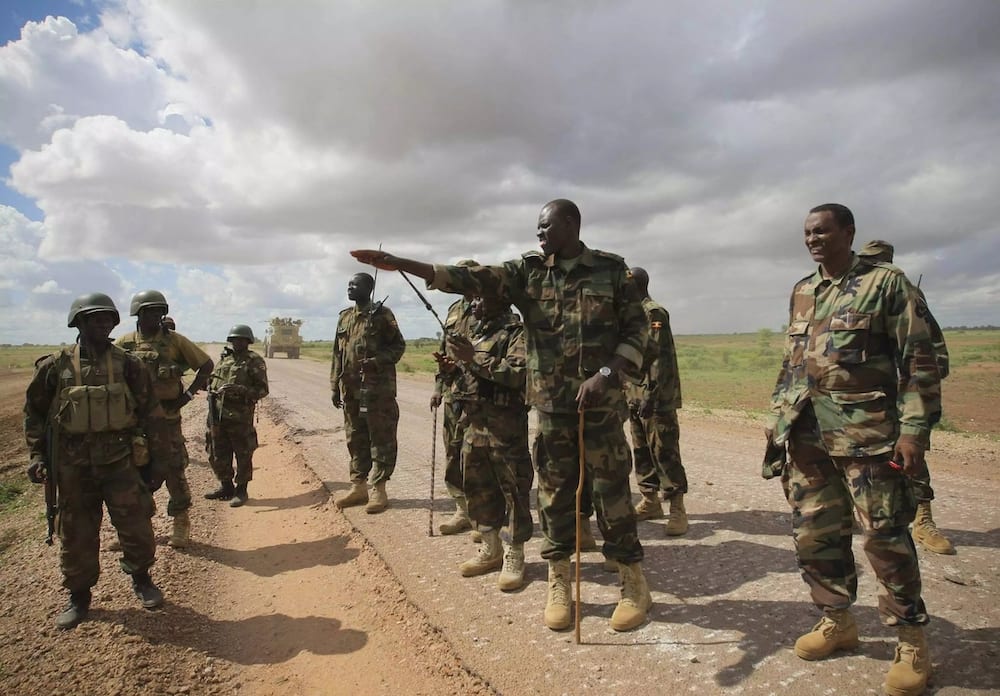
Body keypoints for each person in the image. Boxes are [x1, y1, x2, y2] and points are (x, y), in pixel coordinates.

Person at [352, 198, 652, 632]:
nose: (539, 234)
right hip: (551, 409)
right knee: (553, 495)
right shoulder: (526, 273)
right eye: (537, 228)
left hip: (600, 409)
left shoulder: (609, 270)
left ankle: (632, 583)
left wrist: (607, 373)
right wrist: (401, 263)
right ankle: (558, 581)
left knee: (612, 495)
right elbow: (471, 277)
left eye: (546, 226)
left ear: (570, 225)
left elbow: (636, 330)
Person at [766, 204, 940, 696]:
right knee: (814, 535)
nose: (813, 240)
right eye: (807, 234)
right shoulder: (804, 290)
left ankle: (911, 640)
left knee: (885, 538)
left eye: (822, 231)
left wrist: (913, 433)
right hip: (807, 436)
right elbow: (793, 364)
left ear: (848, 232)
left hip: (868, 437)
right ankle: (837, 619)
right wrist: (778, 416)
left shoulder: (888, 284)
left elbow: (919, 362)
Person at [24, 292, 167, 629]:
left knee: (136, 527)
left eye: (108, 319)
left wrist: (158, 462)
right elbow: (35, 414)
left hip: (119, 461)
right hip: (73, 467)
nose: (103, 325)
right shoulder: (55, 367)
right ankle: (79, 596)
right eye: (95, 319)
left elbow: (151, 414)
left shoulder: (129, 365)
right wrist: (36, 455)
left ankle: (142, 580)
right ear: (79, 323)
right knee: (76, 535)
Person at [856, 240, 955, 555]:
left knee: (911, 456)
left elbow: (931, 350)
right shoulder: (858, 293)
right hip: (869, 393)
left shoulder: (906, 292)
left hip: (903, 391)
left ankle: (923, 520)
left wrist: (920, 394)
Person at [446, 293, 534, 590]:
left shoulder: (517, 332)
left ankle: (514, 553)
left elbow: (518, 374)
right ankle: (491, 547)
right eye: (473, 300)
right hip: (473, 423)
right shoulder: (474, 330)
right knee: (479, 488)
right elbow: (466, 372)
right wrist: (453, 370)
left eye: (481, 299)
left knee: (513, 491)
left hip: (504, 426)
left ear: (500, 302)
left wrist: (474, 358)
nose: (474, 305)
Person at [116, 290, 213, 548]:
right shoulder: (124, 344)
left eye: (160, 311)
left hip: (167, 421)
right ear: (137, 314)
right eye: (149, 311)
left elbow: (206, 365)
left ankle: (181, 525)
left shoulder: (175, 342)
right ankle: (134, 531)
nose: (156, 316)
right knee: (131, 474)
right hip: (133, 423)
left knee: (173, 471)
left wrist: (189, 395)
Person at [330, 273, 406, 513]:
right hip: (350, 390)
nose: (350, 287)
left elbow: (398, 346)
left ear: (369, 288)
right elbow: (336, 354)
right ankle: (358, 487)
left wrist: (377, 361)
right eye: (349, 284)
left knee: (381, 439)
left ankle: (379, 489)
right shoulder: (344, 317)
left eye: (356, 284)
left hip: (377, 390)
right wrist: (334, 385)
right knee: (355, 437)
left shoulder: (382, 315)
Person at [625, 267, 688, 535]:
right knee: (641, 450)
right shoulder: (630, 313)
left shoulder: (653, 313)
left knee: (664, 450)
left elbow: (658, 358)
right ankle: (650, 500)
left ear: (637, 285)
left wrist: (650, 394)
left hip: (656, 397)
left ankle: (677, 507)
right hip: (634, 395)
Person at [431, 260, 479, 535]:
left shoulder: (492, 308)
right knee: (453, 452)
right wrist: (439, 386)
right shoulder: (453, 310)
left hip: (477, 394)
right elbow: (444, 351)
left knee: (475, 456)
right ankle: (461, 508)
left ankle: (481, 514)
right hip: (453, 393)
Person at [205, 325, 269, 507]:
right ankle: (226, 486)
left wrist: (241, 390)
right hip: (217, 415)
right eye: (234, 340)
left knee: (243, 453)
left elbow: (263, 390)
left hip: (239, 417)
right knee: (217, 452)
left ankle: (241, 490)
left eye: (241, 340)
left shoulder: (254, 361)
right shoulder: (225, 359)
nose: (237, 343)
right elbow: (214, 379)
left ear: (248, 341)